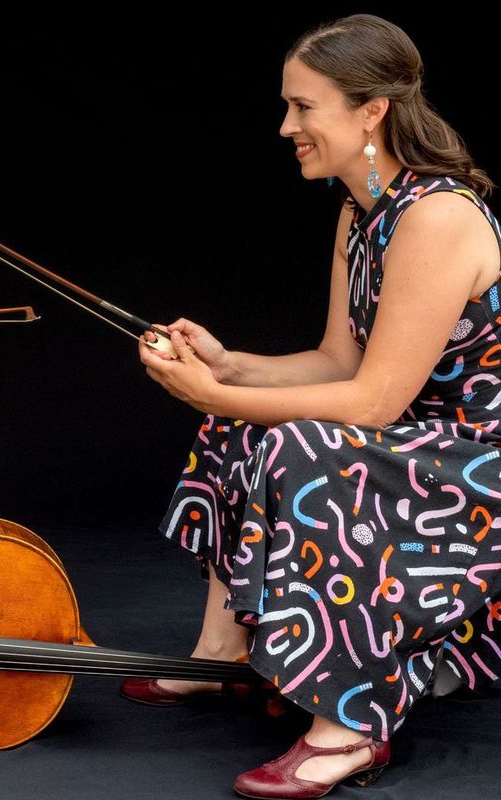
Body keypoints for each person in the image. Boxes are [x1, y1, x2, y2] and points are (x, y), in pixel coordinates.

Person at [130, 13, 500, 800]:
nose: (286, 126)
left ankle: (350, 726)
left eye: (303, 107)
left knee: (302, 443)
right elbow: (339, 361)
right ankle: (222, 655)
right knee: (242, 416)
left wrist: (216, 389)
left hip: (475, 467)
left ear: (371, 112)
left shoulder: (437, 216)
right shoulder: (361, 210)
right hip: (413, 441)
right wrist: (230, 369)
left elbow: (373, 401)